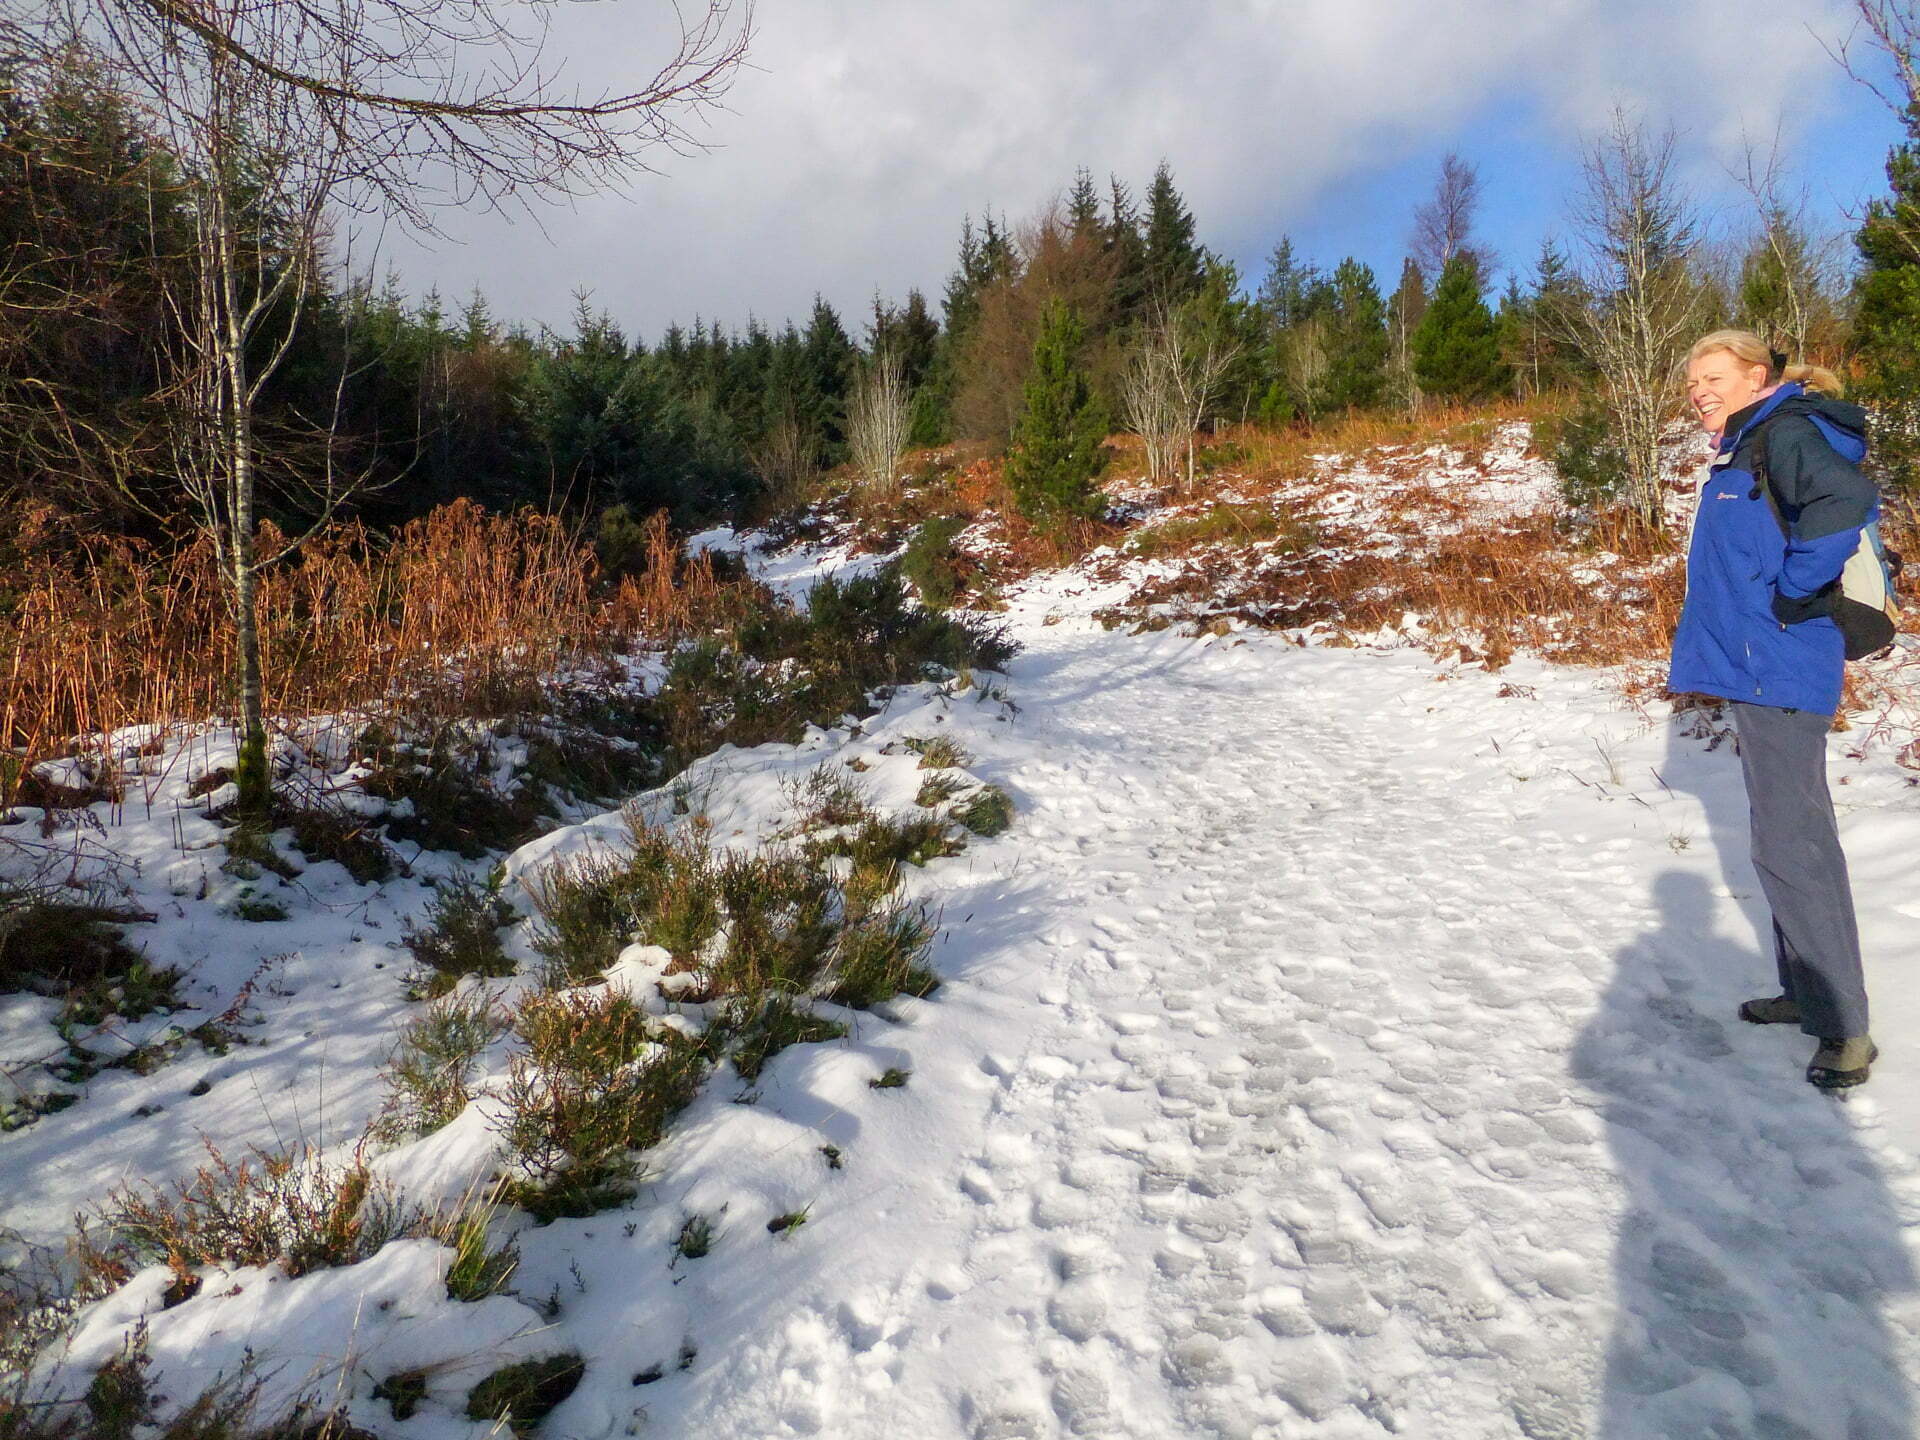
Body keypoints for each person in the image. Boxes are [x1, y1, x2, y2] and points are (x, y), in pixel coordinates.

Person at [1668, 328, 1879, 1089]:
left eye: (1713, 375)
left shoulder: (1784, 432)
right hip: (1762, 669)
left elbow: (1845, 498)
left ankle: (1845, 1027)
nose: (1699, 389)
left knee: (1794, 848)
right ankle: (1806, 992)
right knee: (1783, 838)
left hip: (1782, 668)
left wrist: (1794, 592)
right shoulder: (1748, 443)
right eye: (1693, 380)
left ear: (1757, 376)